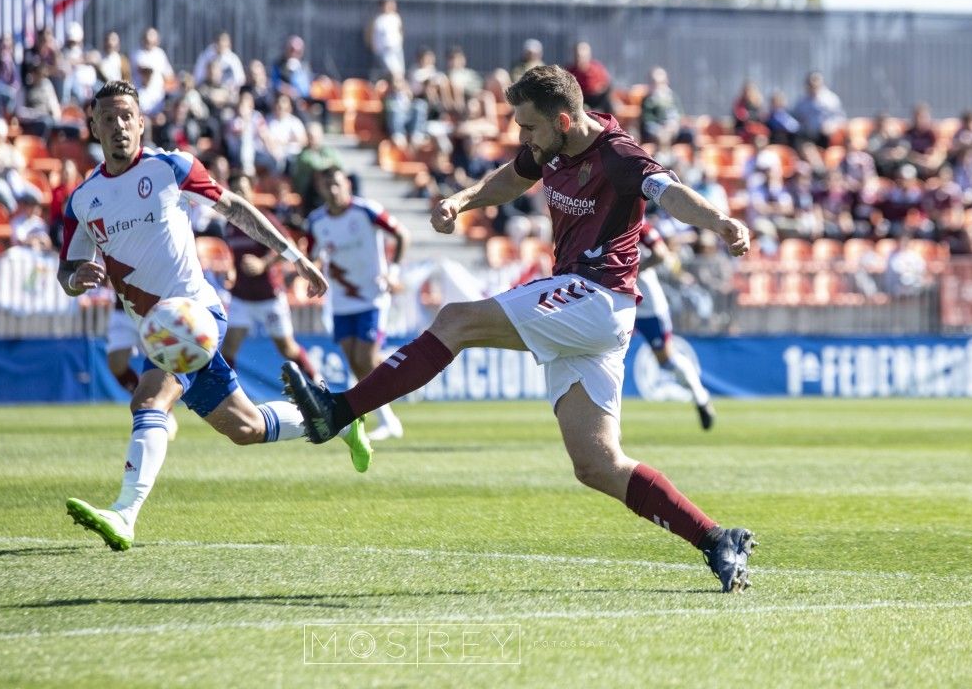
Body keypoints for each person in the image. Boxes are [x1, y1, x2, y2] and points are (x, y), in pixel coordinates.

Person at [281, 66, 757, 591]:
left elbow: (671, 193)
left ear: (562, 119)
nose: (522, 138)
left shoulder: (618, 155)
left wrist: (722, 222)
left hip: (598, 296)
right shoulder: (551, 145)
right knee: (598, 464)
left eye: (529, 128)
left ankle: (339, 411)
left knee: (455, 319)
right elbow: (513, 176)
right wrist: (463, 201)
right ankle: (717, 539)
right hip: (586, 310)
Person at [57, 80, 369, 553]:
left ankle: (124, 513)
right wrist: (77, 278)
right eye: (108, 118)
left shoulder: (170, 167)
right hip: (155, 330)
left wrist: (295, 258)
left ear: (141, 122)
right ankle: (337, 416)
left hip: (194, 314)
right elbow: (67, 268)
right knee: (245, 428)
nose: (119, 125)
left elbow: (237, 210)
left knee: (148, 401)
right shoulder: (83, 200)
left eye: (127, 116)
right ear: (94, 127)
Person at [304, 166, 410, 441]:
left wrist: (394, 272)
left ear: (347, 185)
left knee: (364, 359)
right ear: (321, 189)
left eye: (338, 184)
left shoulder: (366, 211)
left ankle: (391, 411)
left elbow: (402, 235)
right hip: (340, 302)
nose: (334, 190)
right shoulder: (316, 221)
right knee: (357, 363)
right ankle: (392, 403)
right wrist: (313, 276)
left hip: (373, 296)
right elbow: (312, 256)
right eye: (328, 185)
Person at [219, 173, 321, 384]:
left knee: (286, 348)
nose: (238, 194)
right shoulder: (229, 224)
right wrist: (231, 268)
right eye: (234, 190)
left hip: (269, 295)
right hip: (241, 295)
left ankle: (318, 382)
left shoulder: (262, 218)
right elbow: (234, 254)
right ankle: (228, 395)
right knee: (229, 347)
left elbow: (287, 246)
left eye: (243, 190)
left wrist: (262, 264)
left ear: (251, 191)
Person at [635, 223, 716, 430]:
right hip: (618, 302)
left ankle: (700, 396)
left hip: (647, 306)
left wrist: (631, 272)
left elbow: (661, 254)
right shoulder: (599, 216)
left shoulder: (639, 224)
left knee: (666, 360)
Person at [105, 305, 179, 440]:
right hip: (123, 309)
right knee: (116, 364)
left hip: (151, 308)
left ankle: (164, 409)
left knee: (161, 362)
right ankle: (150, 401)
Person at [367, 0, 405, 80]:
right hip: (384, 52)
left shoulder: (396, 17)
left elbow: (400, 31)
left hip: (396, 50)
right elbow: (370, 34)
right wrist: (374, 47)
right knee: (392, 73)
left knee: (400, 72)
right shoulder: (378, 20)